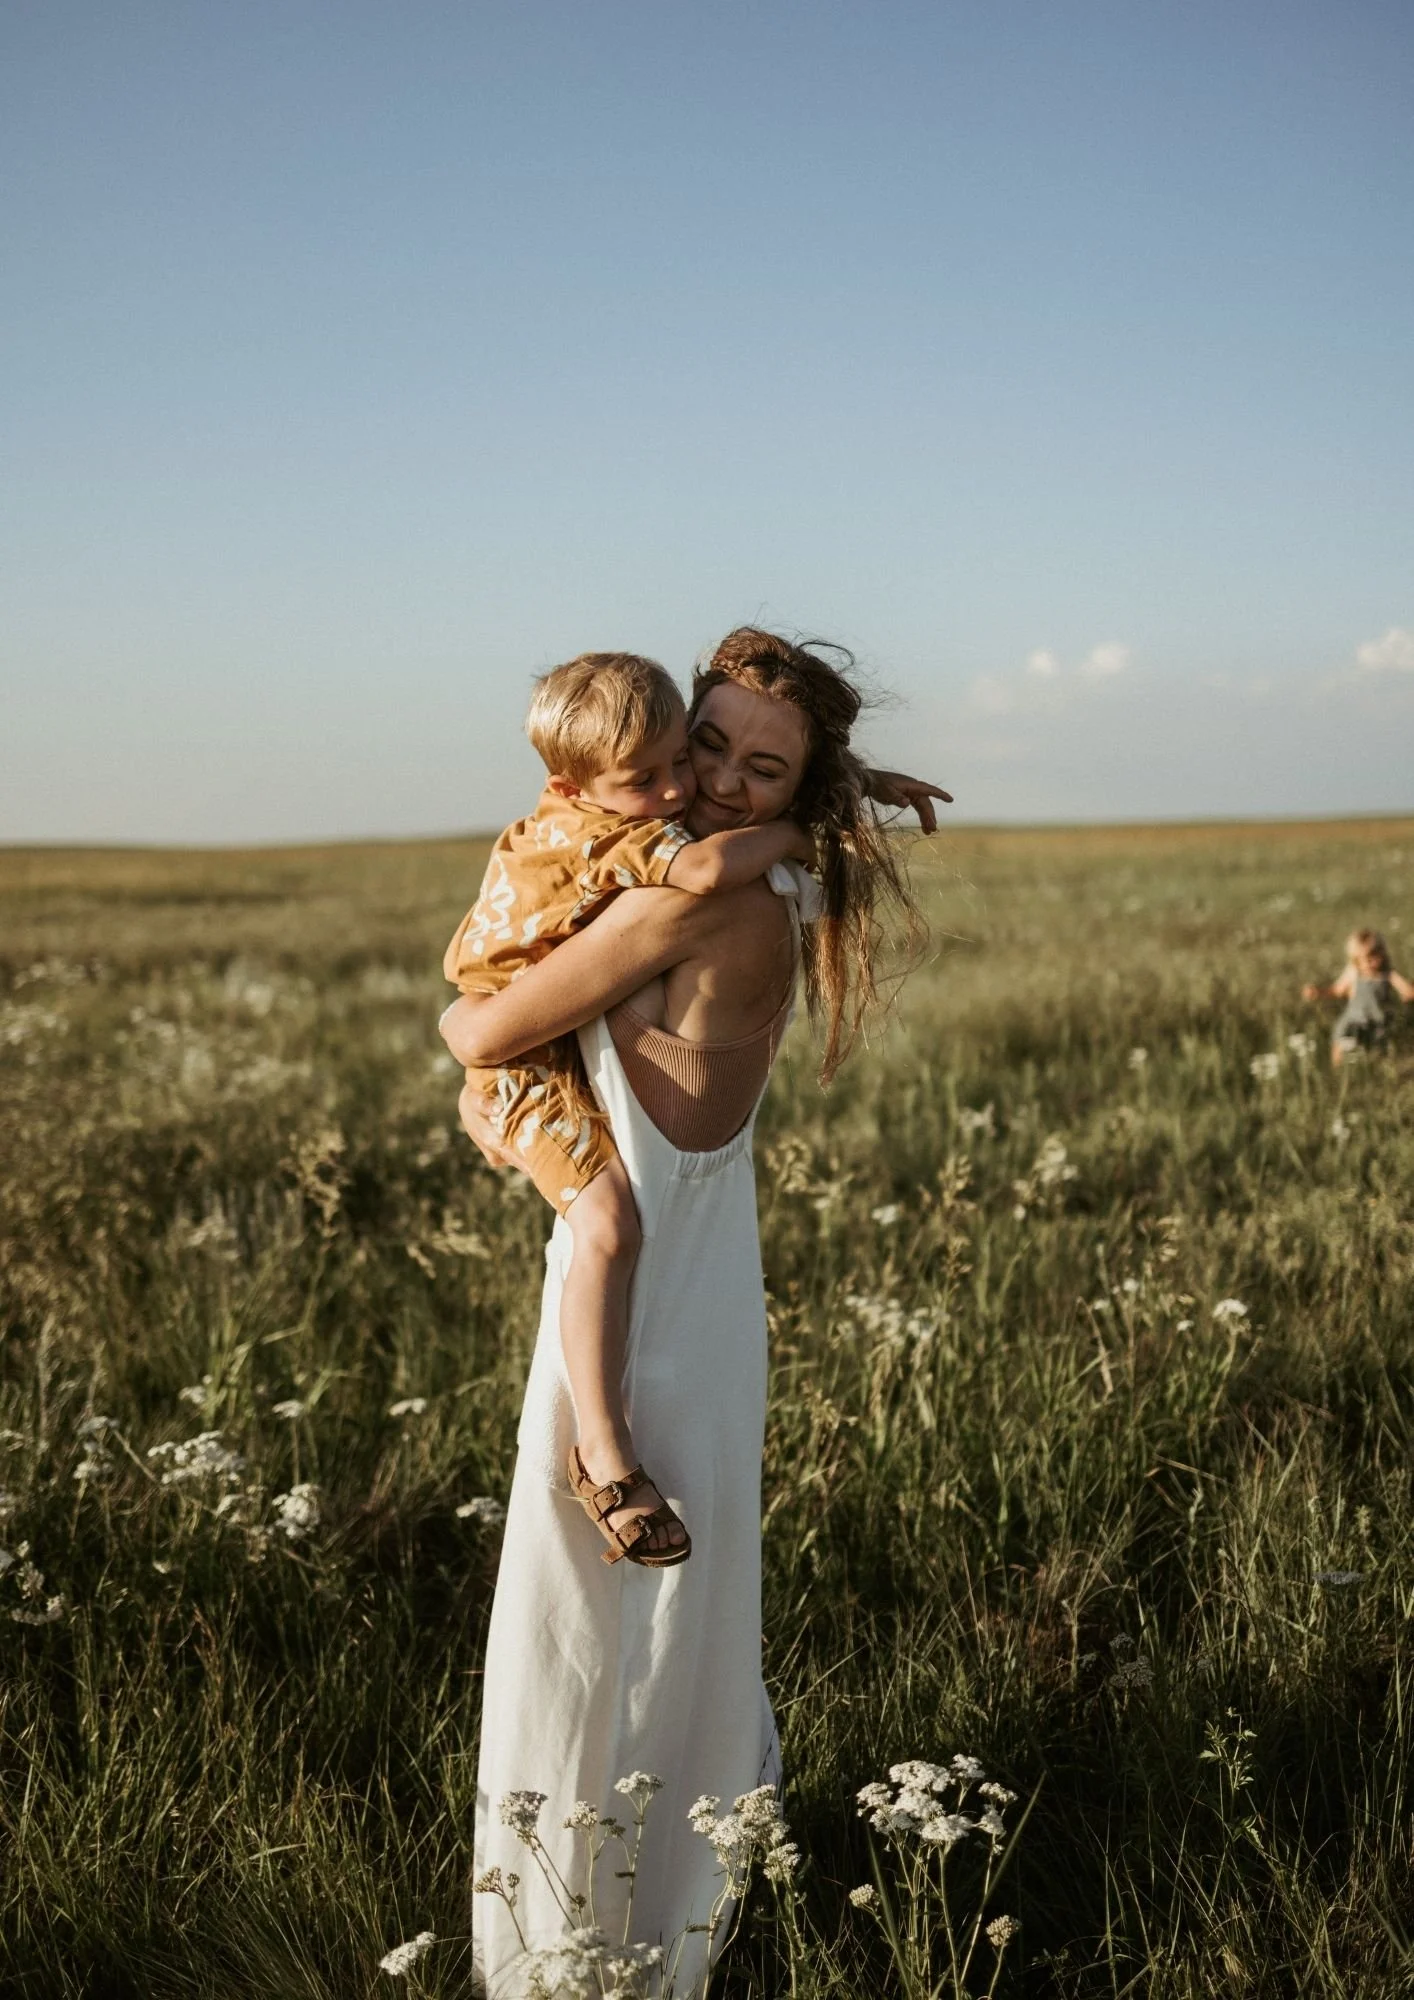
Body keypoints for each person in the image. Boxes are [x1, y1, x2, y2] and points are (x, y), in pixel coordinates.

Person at [441, 629, 946, 1997]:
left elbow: (471, 1035)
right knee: (673, 1621)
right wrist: (832, 796)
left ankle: (572, 1943)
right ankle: (662, 1907)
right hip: (704, 1286)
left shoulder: (694, 900)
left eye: (753, 764)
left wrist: (496, 1083)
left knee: (587, 1618)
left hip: (640, 1300)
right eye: (701, 744)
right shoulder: (769, 872)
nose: (710, 781)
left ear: (797, 785)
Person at [444, 653, 815, 1567]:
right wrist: (805, 830)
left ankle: (603, 1447)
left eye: (678, 765)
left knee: (603, 1232)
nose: (690, 787)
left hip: (528, 1047)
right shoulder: (632, 848)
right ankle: (604, 1455)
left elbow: (482, 1021)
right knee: (607, 1227)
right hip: (526, 1056)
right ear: (576, 782)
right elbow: (486, 1037)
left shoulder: (594, 808)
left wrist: (468, 1037)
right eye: (691, 758)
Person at [1302, 927, 1412, 1065]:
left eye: (1376, 955)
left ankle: (1372, 1070)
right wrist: (1319, 992)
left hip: (1377, 1021)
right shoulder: (1354, 973)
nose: (1372, 961)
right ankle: (1338, 1071)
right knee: (1341, 1042)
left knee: (1376, 1051)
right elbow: (1338, 990)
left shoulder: (1388, 974)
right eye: (1366, 958)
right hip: (1354, 1020)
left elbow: (1407, 990)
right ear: (1356, 960)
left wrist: (1407, 993)